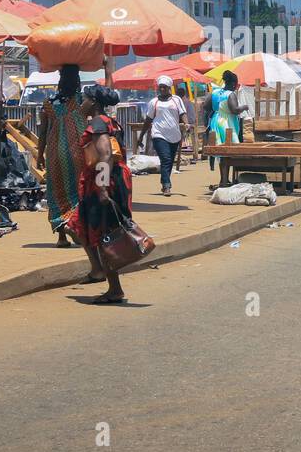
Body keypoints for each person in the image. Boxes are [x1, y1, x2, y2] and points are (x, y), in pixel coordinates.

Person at [78, 84, 132, 304]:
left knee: (104, 234)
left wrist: (101, 186)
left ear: (94, 102)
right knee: (93, 230)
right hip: (113, 178)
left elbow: (106, 154)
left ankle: (115, 288)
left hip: (104, 181)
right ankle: (104, 276)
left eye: (84, 99)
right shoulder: (110, 121)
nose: (82, 103)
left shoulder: (99, 123)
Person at [37, 64, 87, 251]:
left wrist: (40, 154)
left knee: (57, 191)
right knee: (78, 190)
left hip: (55, 153)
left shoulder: (49, 103)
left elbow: (42, 132)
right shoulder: (81, 100)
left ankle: (61, 235)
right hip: (78, 152)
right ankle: (75, 227)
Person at [141, 76, 188, 197]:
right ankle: (167, 185)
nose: (161, 89)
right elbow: (148, 119)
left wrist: (186, 124)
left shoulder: (176, 100)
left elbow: (182, 113)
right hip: (158, 134)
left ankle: (164, 181)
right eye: (160, 87)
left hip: (174, 135)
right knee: (165, 158)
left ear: (169, 88)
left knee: (169, 161)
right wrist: (141, 136)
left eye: (164, 87)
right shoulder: (154, 102)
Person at [209, 70, 250, 188]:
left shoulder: (215, 92)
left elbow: (206, 106)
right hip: (227, 123)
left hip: (216, 122)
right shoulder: (230, 94)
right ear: (233, 84)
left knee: (221, 151)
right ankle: (225, 180)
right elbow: (234, 110)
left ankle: (224, 179)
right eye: (236, 85)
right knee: (229, 151)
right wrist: (244, 107)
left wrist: (218, 111)